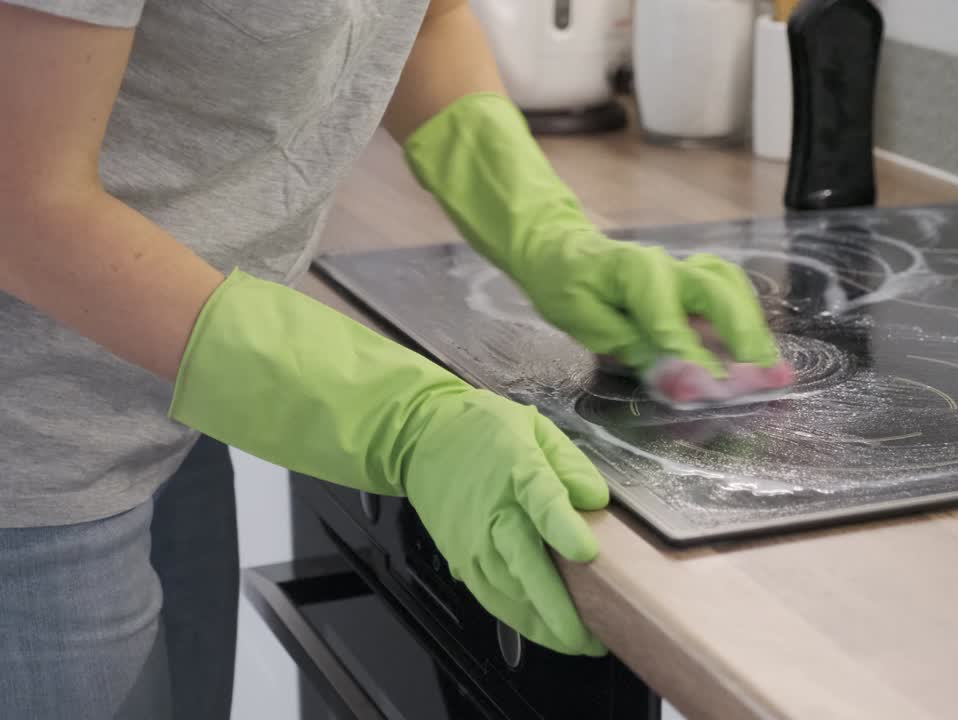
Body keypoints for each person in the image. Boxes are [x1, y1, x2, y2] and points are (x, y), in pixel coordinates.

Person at [0, 0, 783, 717]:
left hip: (162, 385)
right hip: (26, 445)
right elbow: (22, 205)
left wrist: (549, 238)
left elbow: (424, 18)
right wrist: (401, 419)